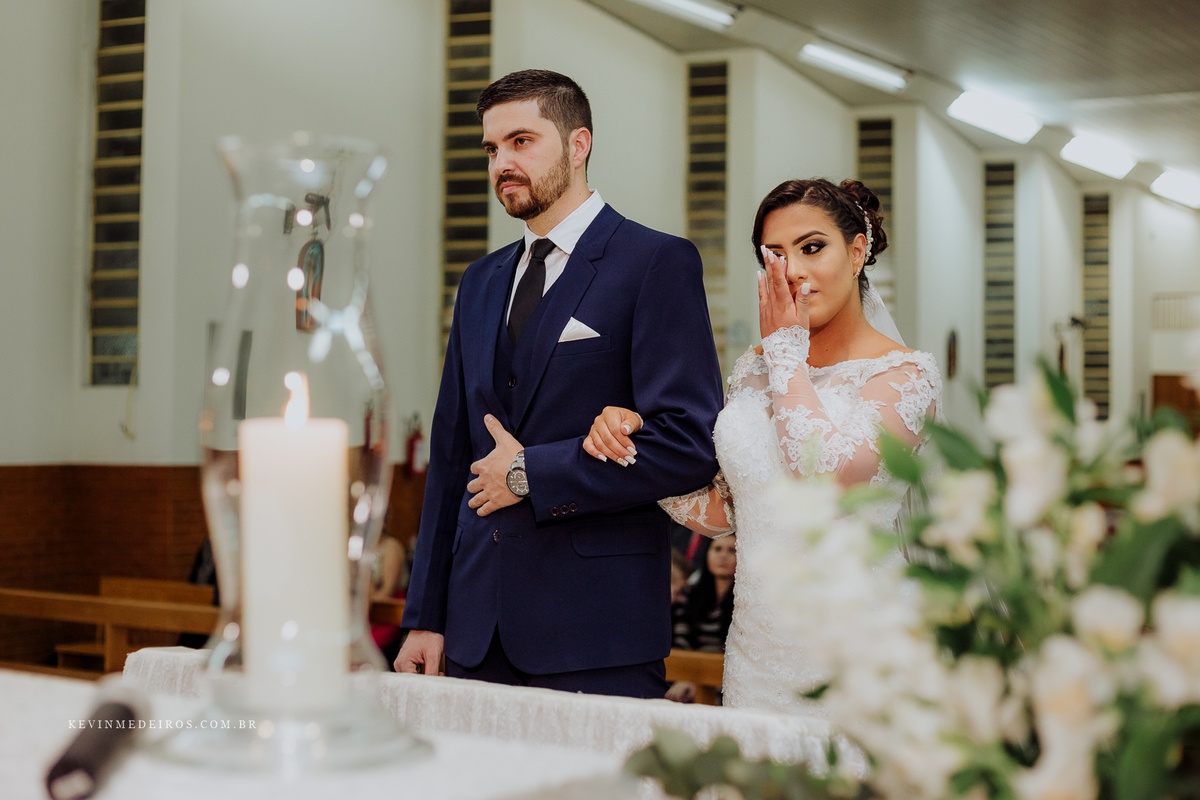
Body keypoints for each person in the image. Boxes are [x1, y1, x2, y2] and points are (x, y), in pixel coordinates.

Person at [396, 70, 724, 698]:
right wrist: (425, 617)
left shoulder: (656, 262)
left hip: (596, 630)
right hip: (472, 629)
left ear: (579, 144)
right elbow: (450, 456)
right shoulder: (480, 282)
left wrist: (532, 474)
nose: (502, 164)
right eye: (492, 149)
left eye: (522, 141)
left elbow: (687, 444)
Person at [584, 178, 943, 713]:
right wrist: (635, 445)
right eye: (774, 254)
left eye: (812, 247)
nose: (793, 270)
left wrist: (784, 353)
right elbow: (726, 508)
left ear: (858, 252)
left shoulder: (905, 373)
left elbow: (824, 477)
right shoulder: (752, 369)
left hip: (861, 655)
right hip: (756, 653)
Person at [666, 534, 736, 704]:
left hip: (729, 680)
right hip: (689, 676)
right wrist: (688, 678)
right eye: (717, 549)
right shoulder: (691, 594)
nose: (723, 556)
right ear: (707, 553)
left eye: (732, 550)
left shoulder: (746, 601)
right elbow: (681, 639)